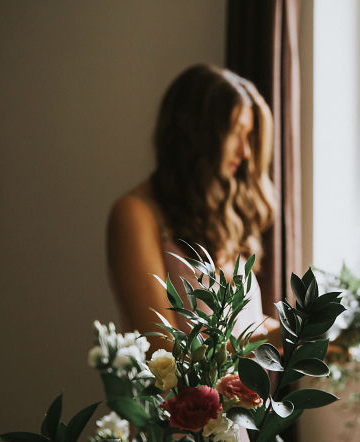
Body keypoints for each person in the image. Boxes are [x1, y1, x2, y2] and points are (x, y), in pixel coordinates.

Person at [107, 64, 280, 350]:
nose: (246, 151)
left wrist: (301, 334)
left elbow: (239, 325)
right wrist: (274, 340)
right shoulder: (135, 215)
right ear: (198, 135)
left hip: (249, 397)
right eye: (237, 133)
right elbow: (165, 349)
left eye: (249, 137)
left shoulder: (218, 215)